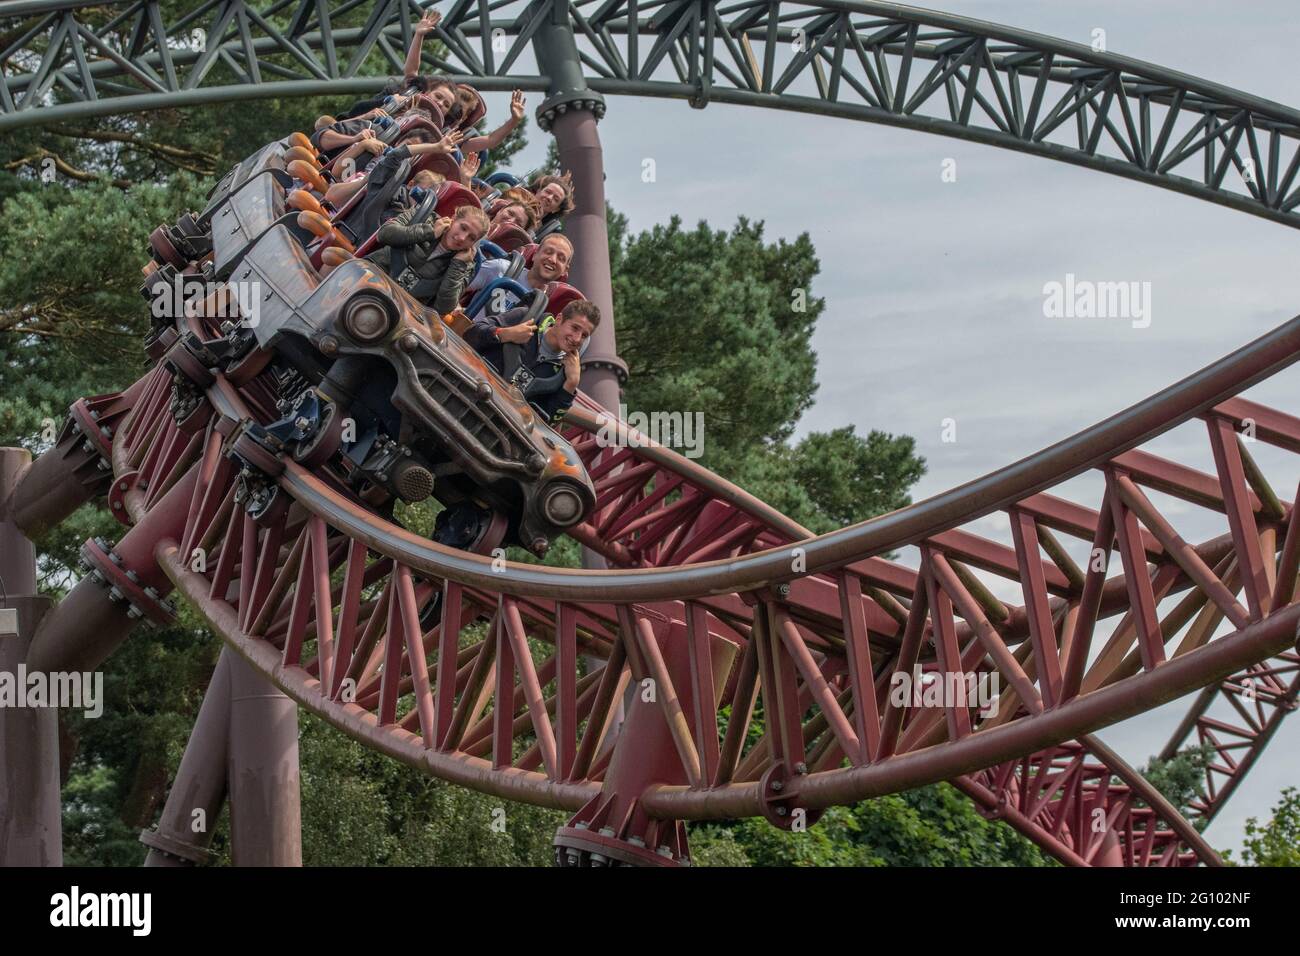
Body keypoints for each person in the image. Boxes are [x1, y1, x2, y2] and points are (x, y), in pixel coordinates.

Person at [464, 300, 598, 425]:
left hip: (495, 423)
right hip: (466, 387)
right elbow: (470, 333)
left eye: (584, 335)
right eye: (574, 328)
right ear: (559, 319)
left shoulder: (566, 372)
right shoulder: (525, 317)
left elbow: (546, 424)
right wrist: (504, 334)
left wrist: (571, 384)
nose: (577, 338)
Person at [368, 204, 490, 314]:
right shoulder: (426, 216)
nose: (463, 238)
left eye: (471, 238)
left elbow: (444, 307)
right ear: (453, 219)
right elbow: (384, 234)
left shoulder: (466, 265)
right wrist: (429, 232)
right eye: (463, 227)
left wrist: (458, 265)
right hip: (372, 275)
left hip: (403, 308)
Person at [464, 232, 573, 313]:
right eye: (548, 252)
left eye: (561, 258)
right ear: (535, 255)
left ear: (565, 270)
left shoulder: (546, 306)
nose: (552, 260)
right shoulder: (502, 268)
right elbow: (457, 285)